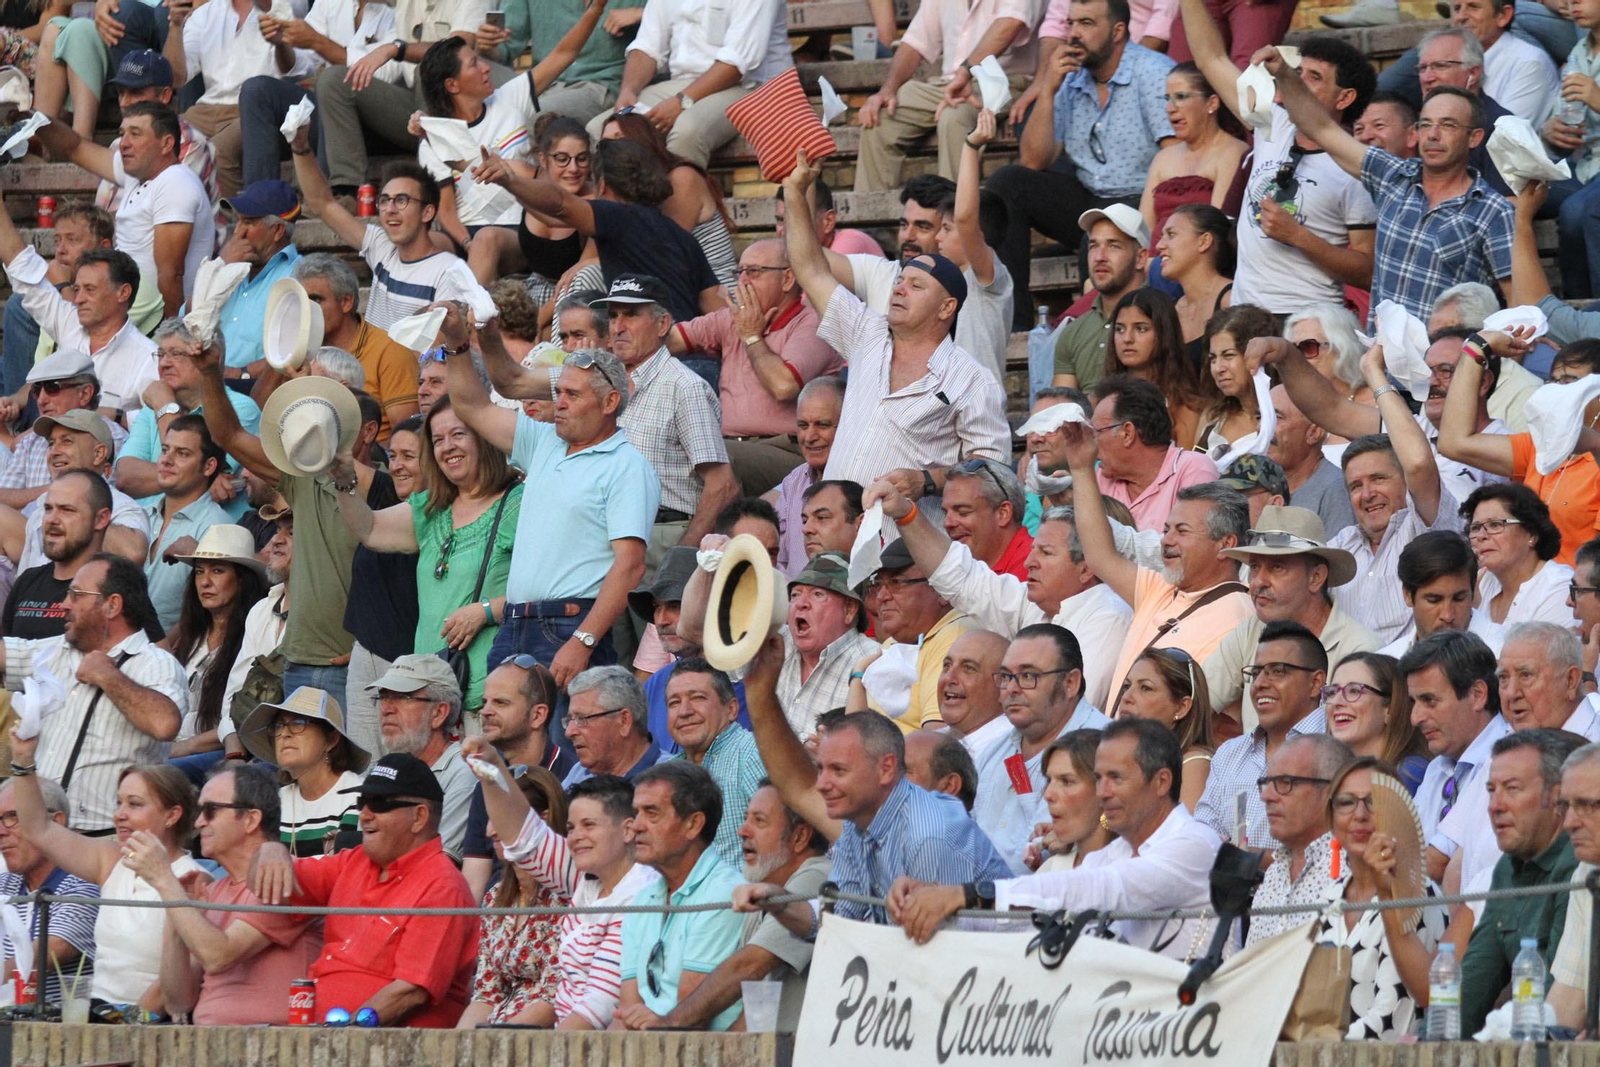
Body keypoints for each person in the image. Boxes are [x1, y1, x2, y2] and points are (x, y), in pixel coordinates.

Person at [442, 312, 656, 687]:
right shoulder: (545, 441)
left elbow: (631, 566)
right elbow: (472, 407)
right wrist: (457, 344)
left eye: (573, 395)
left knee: (563, 728)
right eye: (559, 393)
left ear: (609, 402)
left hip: (568, 626)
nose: (560, 403)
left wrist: (584, 640)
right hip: (515, 624)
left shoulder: (627, 466)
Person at [897, 717, 1223, 958]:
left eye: (1115, 778)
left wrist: (970, 895)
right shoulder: (1113, 855)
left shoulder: (1194, 844)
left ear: (1161, 782)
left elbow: (1105, 889)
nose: (1103, 792)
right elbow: (1031, 921)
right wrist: (934, 904)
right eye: (1099, 778)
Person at [779, 152, 1010, 490]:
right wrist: (795, 193)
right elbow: (811, 269)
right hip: (837, 519)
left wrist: (926, 480)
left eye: (916, 286)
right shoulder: (866, 333)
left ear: (946, 308)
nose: (899, 289)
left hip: (906, 524)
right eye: (900, 281)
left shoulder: (973, 380)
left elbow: (992, 468)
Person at [1263, 51, 1514, 329]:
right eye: (1426, 124)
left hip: (1444, 353)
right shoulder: (1393, 177)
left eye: (1448, 125)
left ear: (1474, 137)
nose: (1433, 135)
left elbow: (1517, 300)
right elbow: (1320, 127)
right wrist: (1284, 74)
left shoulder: (1493, 210)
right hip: (1381, 352)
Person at [732, 698, 1012, 933]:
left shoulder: (928, 834)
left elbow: (941, 952)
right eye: (821, 769)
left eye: (838, 770)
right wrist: (780, 901)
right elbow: (838, 917)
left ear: (886, 769)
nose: (822, 784)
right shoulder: (859, 822)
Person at [986, 0, 1176, 329]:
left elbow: (1175, 160)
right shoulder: (1071, 79)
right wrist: (1047, 90)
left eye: (1086, 23)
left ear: (1117, 31)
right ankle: (1016, 326)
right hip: (1089, 194)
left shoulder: (1153, 72)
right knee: (1008, 183)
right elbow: (1033, 160)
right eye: (1071, 23)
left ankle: (1097, 333)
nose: (1073, 34)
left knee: (1097, 236)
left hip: (1140, 199)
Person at [1182, 1, 1378, 320]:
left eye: (1314, 77)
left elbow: (1367, 271)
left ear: (1345, 98)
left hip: (1308, 323)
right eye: (1298, 73)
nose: (1298, 82)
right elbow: (1211, 58)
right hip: (1246, 317)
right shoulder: (1274, 123)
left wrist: (1298, 236)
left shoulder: (1356, 167)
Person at [258, 752, 481, 1026]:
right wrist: (270, 849)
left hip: (383, 1042)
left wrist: (343, 1034)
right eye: (362, 802)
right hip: (323, 1032)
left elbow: (408, 993)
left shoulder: (443, 887)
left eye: (379, 804)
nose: (364, 815)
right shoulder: (354, 861)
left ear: (419, 817)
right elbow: (268, 884)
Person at [331, 397, 521, 715]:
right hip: (428, 692)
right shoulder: (433, 507)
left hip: (487, 697)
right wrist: (344, 481)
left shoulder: (518, 503)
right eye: (437, 440)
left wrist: (486, 611)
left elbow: (548, 592)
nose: (447, 447)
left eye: (458, 434)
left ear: (484, 437)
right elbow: (369, 529)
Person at [7, 728, 200, 1013]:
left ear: (172, 815)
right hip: (95, 1014)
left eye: (134, 804)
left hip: (146, 1022)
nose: (119, 814)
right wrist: (23, 760)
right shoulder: (111, 861)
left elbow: (179, 981)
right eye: (118, 803)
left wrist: (124, 1022)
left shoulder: (194, 878)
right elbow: (38, 830)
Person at [1063, 420, 1252, 697]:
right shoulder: (1159, 589)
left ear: (1225, 545)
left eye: (1181, 531)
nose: (1166, 540)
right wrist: (1081, 469)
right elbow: (1099, 555)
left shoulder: (1240, 616)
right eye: (1166, 530)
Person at [3, 552, 187, 832]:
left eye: (76, 595)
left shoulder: (155, 663)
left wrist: (108, 675)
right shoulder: (57, 649)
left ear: (112, 605)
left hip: (108, 838)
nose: (64, 604)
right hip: (40, 834)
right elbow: (5, 655)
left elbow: (165, 724)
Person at [122, 764, 318, 1024]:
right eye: (199, 811)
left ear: (250, 820)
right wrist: (175, 918)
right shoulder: (212, 890)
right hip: (209, 1038)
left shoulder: (281, 875)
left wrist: (164, 880)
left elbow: (218, 956)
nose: (198, 822)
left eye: (211, 810)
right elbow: (178, 1002)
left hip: (270, 1040)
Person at [413, 19, 607, 277]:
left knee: (487, 238)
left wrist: (596, 9)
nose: (486, 68)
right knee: (418, 242)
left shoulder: (509, 99)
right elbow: (446, 211)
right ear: (452, 85)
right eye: (474, 64)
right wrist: (467, 243)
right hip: (465, 235)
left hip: (516, 230)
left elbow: (564, 54)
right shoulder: (434, 137)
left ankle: (472, 304)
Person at [479, 757, 656, 1030]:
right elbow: (523, 839)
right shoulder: (587, 877)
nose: (575, 837)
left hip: (584, 1042)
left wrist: (546, 1051)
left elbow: (599, 1006)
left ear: (627, 830)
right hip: (566, 1037)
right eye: (571, 828)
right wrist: (490, 769)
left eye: (589, 825)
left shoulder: (639, 894)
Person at [473, 139, 727, 325]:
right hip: (695, 358)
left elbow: (560, 205)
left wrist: (511, 180)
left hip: (658, 359)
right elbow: (716, 307)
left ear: (602, 185)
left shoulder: (616, 217)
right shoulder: (683, 237)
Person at [665, 240, 844, 497]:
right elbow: (669, 340)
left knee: (714, 458)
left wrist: (751, 336)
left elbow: (783, 385)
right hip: (732, 446)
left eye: (754, 272)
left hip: (790, 450)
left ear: (787, 279)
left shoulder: (814, 323)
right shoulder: (733, 318)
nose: (743, 282)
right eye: (739, 273)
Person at [652, 780, 828, 1031]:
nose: (742, 831)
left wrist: (667, 1027)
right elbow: (758, 1014)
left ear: (799, 837)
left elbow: (749, 965)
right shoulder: (763, 889)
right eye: (746, 818)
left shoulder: (818, 875)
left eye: (759, 821)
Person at [288, 127, 489, 332]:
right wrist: (300, 147)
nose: (390, 209)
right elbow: (323, 203)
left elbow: (442, 344)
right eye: (384, 200)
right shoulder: (382, 247)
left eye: (401, 200)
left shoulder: (449, 272)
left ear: (427, 213)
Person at [1201, 505, 1378, 733]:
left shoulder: (1361, 650)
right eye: (1254, 567)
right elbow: (1195, 703)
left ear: (1316, 577)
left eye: (1277, 567)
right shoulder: (1251, 630)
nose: (1258, 581)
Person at [1438, 328, 1600, 566]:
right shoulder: (1538, 445)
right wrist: (1478, 346)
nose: (1555, 391)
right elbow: (1453, 443)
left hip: (1577, 588)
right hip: (1527, 586)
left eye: (1568, 382)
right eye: (1553, 381)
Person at [35, 103, 216, 316]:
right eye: (122, 134)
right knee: (24, 303)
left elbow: (171, 274)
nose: (123, 144)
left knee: (27, 307)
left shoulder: (174, 182)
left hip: (145, 314)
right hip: (121, 299)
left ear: (167, 144)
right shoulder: (137, 174)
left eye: (135, 134)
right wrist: (33, 119)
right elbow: (74, 148)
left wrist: (169, 331)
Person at [1315, 755, 1450, 1040]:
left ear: (1398, 814)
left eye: (1374, 802)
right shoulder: (1328, 897)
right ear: (1331, 819)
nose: (1360, 815)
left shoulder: (1419, 893)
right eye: (1346, 802)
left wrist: (1307, 1046)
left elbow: (1394, 1021)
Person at [1459, 728, 1584, 1036]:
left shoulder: (1580, 866)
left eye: (1512, 789)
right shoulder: (1508, 868)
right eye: (1491, 790)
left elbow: (1559, 1005)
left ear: (1557, 798)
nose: (1495, 806)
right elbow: (1471, 987)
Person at [609, 761, 746, 1030]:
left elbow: (691, 1018)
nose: (636, 826)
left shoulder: (724, 893)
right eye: (636, 813)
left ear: (693, 824)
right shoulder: (643, 899)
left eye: (652, 813)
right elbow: (628, 1009)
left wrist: (654, 1023)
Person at [967, 625, 1110, 873]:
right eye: (1006, 676)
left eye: (1028, 676)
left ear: (1070, 683)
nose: (1011, 689)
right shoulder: (994, 751)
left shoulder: (1107, 749)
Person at [852, 0, 1034, 189]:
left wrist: (966, 73)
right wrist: (887, 90)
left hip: (1001, 81)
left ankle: (954, 205)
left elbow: (1011, 22)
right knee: (879, 118)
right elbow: (915, 42)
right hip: (947, 84)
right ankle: (872, 208)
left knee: (954, 117)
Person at [0, 200, 157, 419]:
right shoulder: (70, 323)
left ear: (123, 293)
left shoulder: (148, 358)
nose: (79, 299)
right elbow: (24, 273)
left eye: (90, 290)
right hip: (47, 434)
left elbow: (162, 420)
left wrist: (116, 417)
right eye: (76, 289)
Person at [1196, 622, 1332, 850]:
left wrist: (1247, 858)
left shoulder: (1338, 747)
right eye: (1255, 673)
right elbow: (1203, 840)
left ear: (1315, 683)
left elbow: (1333, 853)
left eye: (1277, 671)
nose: (1259, 684)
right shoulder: (1229, 754)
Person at [456, 764, 568, 1028]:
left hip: (541, 1035)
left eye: (503, 817)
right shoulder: (495, 898)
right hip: (495, 1031)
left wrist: (496, 1042)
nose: (490, 831)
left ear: (543, 820)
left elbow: (553, 999)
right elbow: (486, 994)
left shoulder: (566, 896)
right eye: (490, 818)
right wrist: (460, 1043)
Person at [457, 657, 577, 899]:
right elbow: (473, 882)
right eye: (484, 702)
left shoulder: (572, 778)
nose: (485, 711)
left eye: (500, 702)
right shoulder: (488, 781)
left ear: (538, 715)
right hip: (495, 911)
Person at [115, 322, 261, 520]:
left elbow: (197, 478)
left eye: (176, 354)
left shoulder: (239, 408)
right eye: (161, 354)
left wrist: (166, 407)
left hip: (206, 531)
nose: (164, 363)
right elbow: (125, 476)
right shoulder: (152, 409)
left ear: (211, 359)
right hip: (146, 526)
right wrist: (194, 479)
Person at [1402, 631, 1509, 875]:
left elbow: (1435, 865)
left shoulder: (1511, 761)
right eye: (1413, 702)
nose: (1415, 718)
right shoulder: (1437, 767)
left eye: (1429, 700)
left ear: (1477, 695)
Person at [599, 111, 740, 294]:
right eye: (606, 143)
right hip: (670, 286)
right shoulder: (618, 191)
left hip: (718, 296)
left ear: (643, 142)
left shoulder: (681, 178)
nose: (612, 149)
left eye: (619, 139)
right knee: (588, 274)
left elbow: (662, 252)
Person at [161, 526, 268, 763]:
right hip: (171, 748)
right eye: (199, 572)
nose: (205, 582)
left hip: (215, 755)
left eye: (217, 571)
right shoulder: (189, 636)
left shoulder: (254, 638)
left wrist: (186, 747)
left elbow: (245, 719)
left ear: (242, 580)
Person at [850, 540, 976, 733]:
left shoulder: (956, 636)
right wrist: (858, 675)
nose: (881, 597)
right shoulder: (894, 642)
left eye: (896, 582)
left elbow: (936, 740)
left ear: (942, 589)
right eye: (878, 584)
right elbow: (852, 734)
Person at [291, 254, 420, 440]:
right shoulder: (298, 350)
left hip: (371, 454)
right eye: (302, 302)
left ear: (346, 302)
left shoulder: (390, 351)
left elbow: (407, 438)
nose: (306, 310)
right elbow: (262, 413)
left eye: (315, 300)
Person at [1245, 733, 1355, 946]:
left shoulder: (1355, 870)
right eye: (1267, 783)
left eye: (1285, 783)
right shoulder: (1273, 875)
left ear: (1331, 791)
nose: (1266, 796)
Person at [236, 685, 370, 856]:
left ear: (331, 739)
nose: (285, 733)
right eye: (278, 726)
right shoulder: (276, 802)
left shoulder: (358, 796)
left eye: (299, 723)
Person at [0, 776, 97, 1008]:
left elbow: (38, 959)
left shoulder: (85, 885)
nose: (1, 831)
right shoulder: (5, 884)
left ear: (56, 822)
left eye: (14, 817)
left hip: (56, 1027)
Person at [366, 654, 476, 858]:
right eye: (383, 697)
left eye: (402, 697)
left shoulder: (462, 773)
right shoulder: (383, 771)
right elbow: (362, 859)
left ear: (439, 713)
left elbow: (433, 862)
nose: (386, 709)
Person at [1139, 63, 1249, 266]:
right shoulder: (1163, 158)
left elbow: (1216, 231)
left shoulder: (1233, 152)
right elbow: (1142, 230)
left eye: (1181, 97)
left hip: (1198, 266)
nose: (1170, 108)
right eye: (1167, 99)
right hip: (1153, 264)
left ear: (1212, 103)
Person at [663, 658, 764, 870]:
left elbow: (782, 844)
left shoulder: (752, 754)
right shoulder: (668, 773)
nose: (684, 711)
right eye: (674, 703)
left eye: (697, 698)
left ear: (731, 709)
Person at [1083, 375, 1219, 530]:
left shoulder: (1194, 469)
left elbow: (1192, 541)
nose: (1092, 443)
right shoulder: (1101, 477)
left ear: (1127, 433)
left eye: (1096, 432)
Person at [938, 111, 1014, 386]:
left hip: (981, 406)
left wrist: (971, 146)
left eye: (947, 229)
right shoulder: (954, 283)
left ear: (976, 235)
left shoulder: (988, 276)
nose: (937, 237)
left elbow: (966, 217)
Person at [3, 470, 119, 640]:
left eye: (67, 510)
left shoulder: (118, 584)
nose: (52, 519)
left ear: (101, 519)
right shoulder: (27, 580)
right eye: (48, 509)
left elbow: (151, 651)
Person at [143, 416, 233, 630]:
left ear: (209, 466)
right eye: (165, 450)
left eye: (182, 453)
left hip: (178, 648)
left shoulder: (218, 527)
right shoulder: (139, 516)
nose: (166, 460)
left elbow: (212, 617)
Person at [1053, 207, 1151, 392]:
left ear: (1140, 258)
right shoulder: (1073, 331)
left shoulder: (1162, 317)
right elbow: (1061, 405)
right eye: (1093, 246)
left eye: (1113, 246)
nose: (1099, 257)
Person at [1462, 483, 1577, 629]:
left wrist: (1472, 615)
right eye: (1475, 528)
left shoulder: (1560, 589)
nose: (1481, 536)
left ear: (1532, 534)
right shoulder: (1481, 582)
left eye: (1495, 525)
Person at [1115, 647, 1216, 811]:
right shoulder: (1123, 758)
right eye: (1127, 686)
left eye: (1145, 688)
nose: (1126, 697)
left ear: (1181, 707)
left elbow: (1185, 828)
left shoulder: (1193, 763)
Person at [1103, 291, 1205, 451]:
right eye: (1120, 329)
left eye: (1141, 329)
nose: (1127, 338)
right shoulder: (1102, 399)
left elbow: (1186, 463)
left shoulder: (1186, 405)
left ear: (1164, 334)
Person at [770, 377, 844, 578]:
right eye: (803, 426)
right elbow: (780, 561)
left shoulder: (866, 479)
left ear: (848, 425)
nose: (809, 437)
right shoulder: (794, 481)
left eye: (822, 425)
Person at [1326, 652, 1431, 792]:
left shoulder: (1410, 774)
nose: (1336, 702)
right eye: (1332, 692)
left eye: (1354, 691)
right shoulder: (1326, 774)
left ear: (1390, 708)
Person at [1267, 382, 1358, 536]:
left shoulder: (1336, 490)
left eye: (1276, 418)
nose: (1262, 429)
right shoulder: (1256, 486)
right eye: (1260, 418)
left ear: (1314, 433)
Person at [1022, 729, 1115, 872]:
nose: (1048, 794)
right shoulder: (1051, 868)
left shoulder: (1134, 870)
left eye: (1067, 781)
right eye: (1049, 780)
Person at [562, 664, 667, 787]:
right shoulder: (578, 773)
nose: (569, 732)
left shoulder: (671, 780)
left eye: (582, 719)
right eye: (569, 720)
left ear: (624, 721)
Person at [1197, 303, 1279, 458]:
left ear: (1258, 356)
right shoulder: (1212, 416)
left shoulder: (1283, 421)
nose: (1218, 368)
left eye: (1228, 355)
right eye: (1213, 358)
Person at [1160, 205, 1236, 366]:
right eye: (1162, 236)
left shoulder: (1232, 301)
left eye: (1171, 234)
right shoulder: (1170, 311)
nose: (1159, 245)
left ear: (1204, 241)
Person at [936, 629, 1013, 755]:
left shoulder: (1009, 750)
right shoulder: (931, 742)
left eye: (968, 668)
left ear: (1004, 684)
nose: (948, 678)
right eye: (947, 665)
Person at [772, 177, 884, 260]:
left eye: (796, 221)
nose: (784, 231)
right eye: (780, 220)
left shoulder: (851, 242)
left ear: (828, 222)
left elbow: (817, 281)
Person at [797, 479, 863, 567]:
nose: (806, 529)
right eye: (804, 521)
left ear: (861, 524)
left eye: (822, 517)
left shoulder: (879, 573)